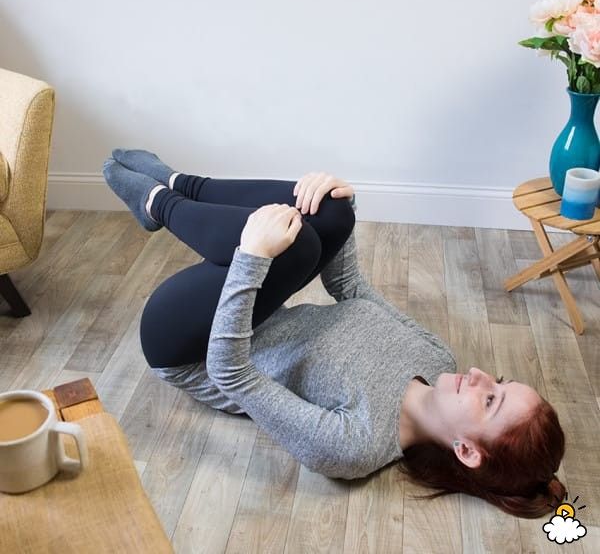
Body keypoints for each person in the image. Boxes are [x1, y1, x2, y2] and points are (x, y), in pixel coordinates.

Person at [103, 149, 566, 519]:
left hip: (190, 346)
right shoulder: (437, 358)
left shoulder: (355, 446)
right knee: (332, 211)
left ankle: (159, 203)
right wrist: (343, 202)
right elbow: (350, 290)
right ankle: (182, 185)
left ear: (466, 451)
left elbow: (231, 373)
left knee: (298, 247)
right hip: (252, 307)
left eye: (490, 401)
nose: (483, 376)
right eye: (500, 382)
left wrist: (251, 259)